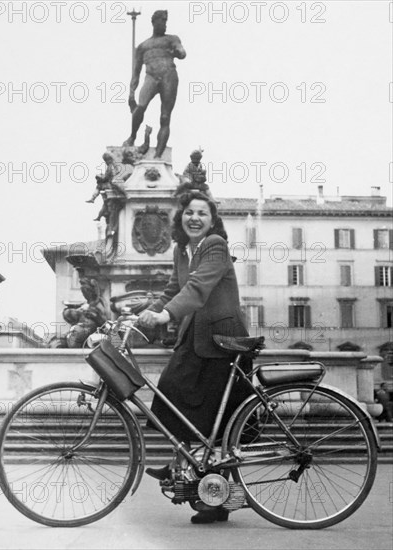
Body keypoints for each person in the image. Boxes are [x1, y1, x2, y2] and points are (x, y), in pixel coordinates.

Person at [138, 191, 252, 524]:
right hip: (196, 335)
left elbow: (199, 288)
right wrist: (148, 312)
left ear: (212, 219)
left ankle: (217, 500)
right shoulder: (182, 249)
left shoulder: (215, 244)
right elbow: (174, 290)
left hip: (222, 339)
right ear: (181, 217)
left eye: (202, 213)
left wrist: (165, 316)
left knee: (216, 421)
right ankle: (184, 466)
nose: (194, 218)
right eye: (189, 212)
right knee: (171, 392)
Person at [123, 10, 186, 159]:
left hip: (168, 75)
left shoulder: (172, 39)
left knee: (165, 117)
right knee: (140, 107)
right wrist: (131, 92)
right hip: (150, 76)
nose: (164, 24)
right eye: (162, 21)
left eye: (166, 21)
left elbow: (182, 52)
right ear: (154, 22)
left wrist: (178, 52)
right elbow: (136, 72)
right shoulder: (143, 46)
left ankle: (158, 155)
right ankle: (132, 136)